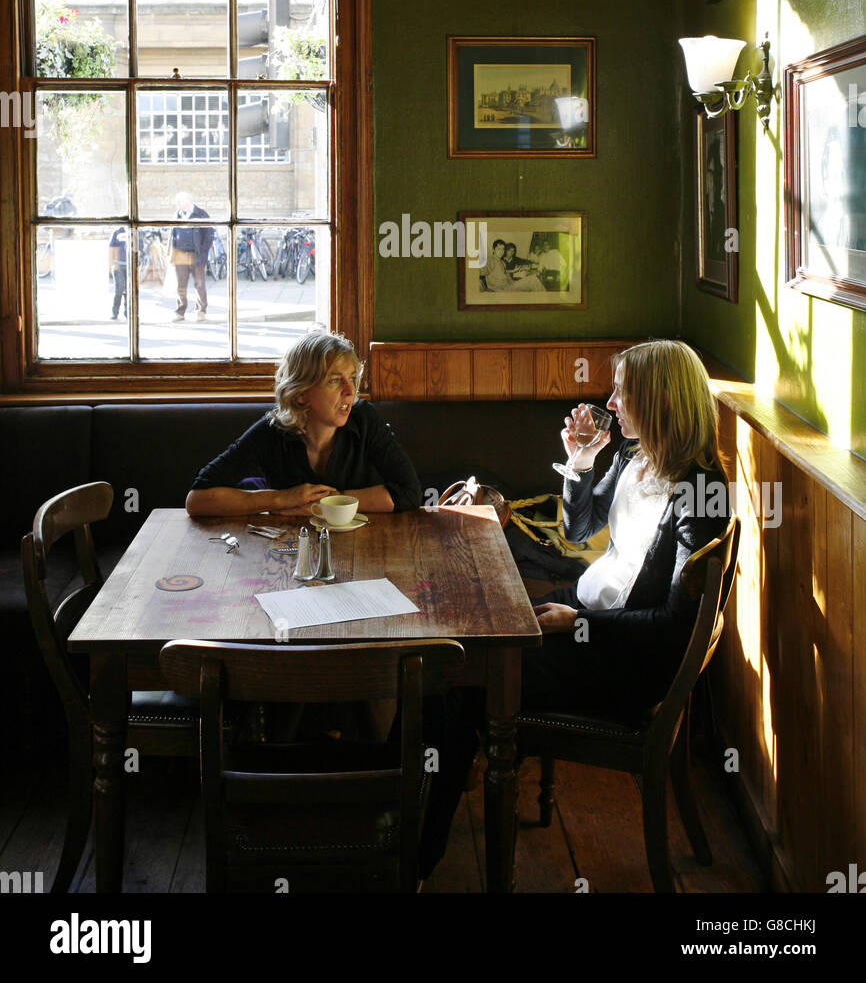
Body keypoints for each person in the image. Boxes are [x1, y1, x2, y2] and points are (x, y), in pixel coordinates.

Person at [418, 339, 729, 877]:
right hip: (584, 613)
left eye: (622, 393)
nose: (610, 403)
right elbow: (579, 528)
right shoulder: (638, 457)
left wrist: (580, 624)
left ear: (658, 402)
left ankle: (418, 856)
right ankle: (404, 806)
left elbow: (674, 629)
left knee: (466, 683)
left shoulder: (700, 491)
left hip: (619, 655)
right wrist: (582, 466)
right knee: (447, 649)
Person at [186, 331, 422, 517]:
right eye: (334, 380)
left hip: (361, 546)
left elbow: (410, 493)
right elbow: (197, 499)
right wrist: (281, 498)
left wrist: (328, 503)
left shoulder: (364, 420)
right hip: (288, 553)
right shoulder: (272, 430)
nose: (350, 392)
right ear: (301, 393)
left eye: (352, 378)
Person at [170, 191, 213, 322]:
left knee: (199, 284)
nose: (178, 205)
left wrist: (203, 251)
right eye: (178, 203)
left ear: (188, 202)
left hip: (196, 255)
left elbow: (209, 234)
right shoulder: (176, 215)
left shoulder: (201, 214)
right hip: (180, 255)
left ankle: (201, 311)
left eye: (180, 202)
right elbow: (173, 234)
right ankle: (180, 312)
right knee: (181, 285)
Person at [108, 225, 128, 320]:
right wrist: (110, 265)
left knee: (129, 291)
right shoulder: (116, 232)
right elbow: (111, 249)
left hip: (130, 265)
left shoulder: (136, 231)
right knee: (119, 290)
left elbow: (140, 247)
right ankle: (114, 312)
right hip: (118, 265)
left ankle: (128, 312)